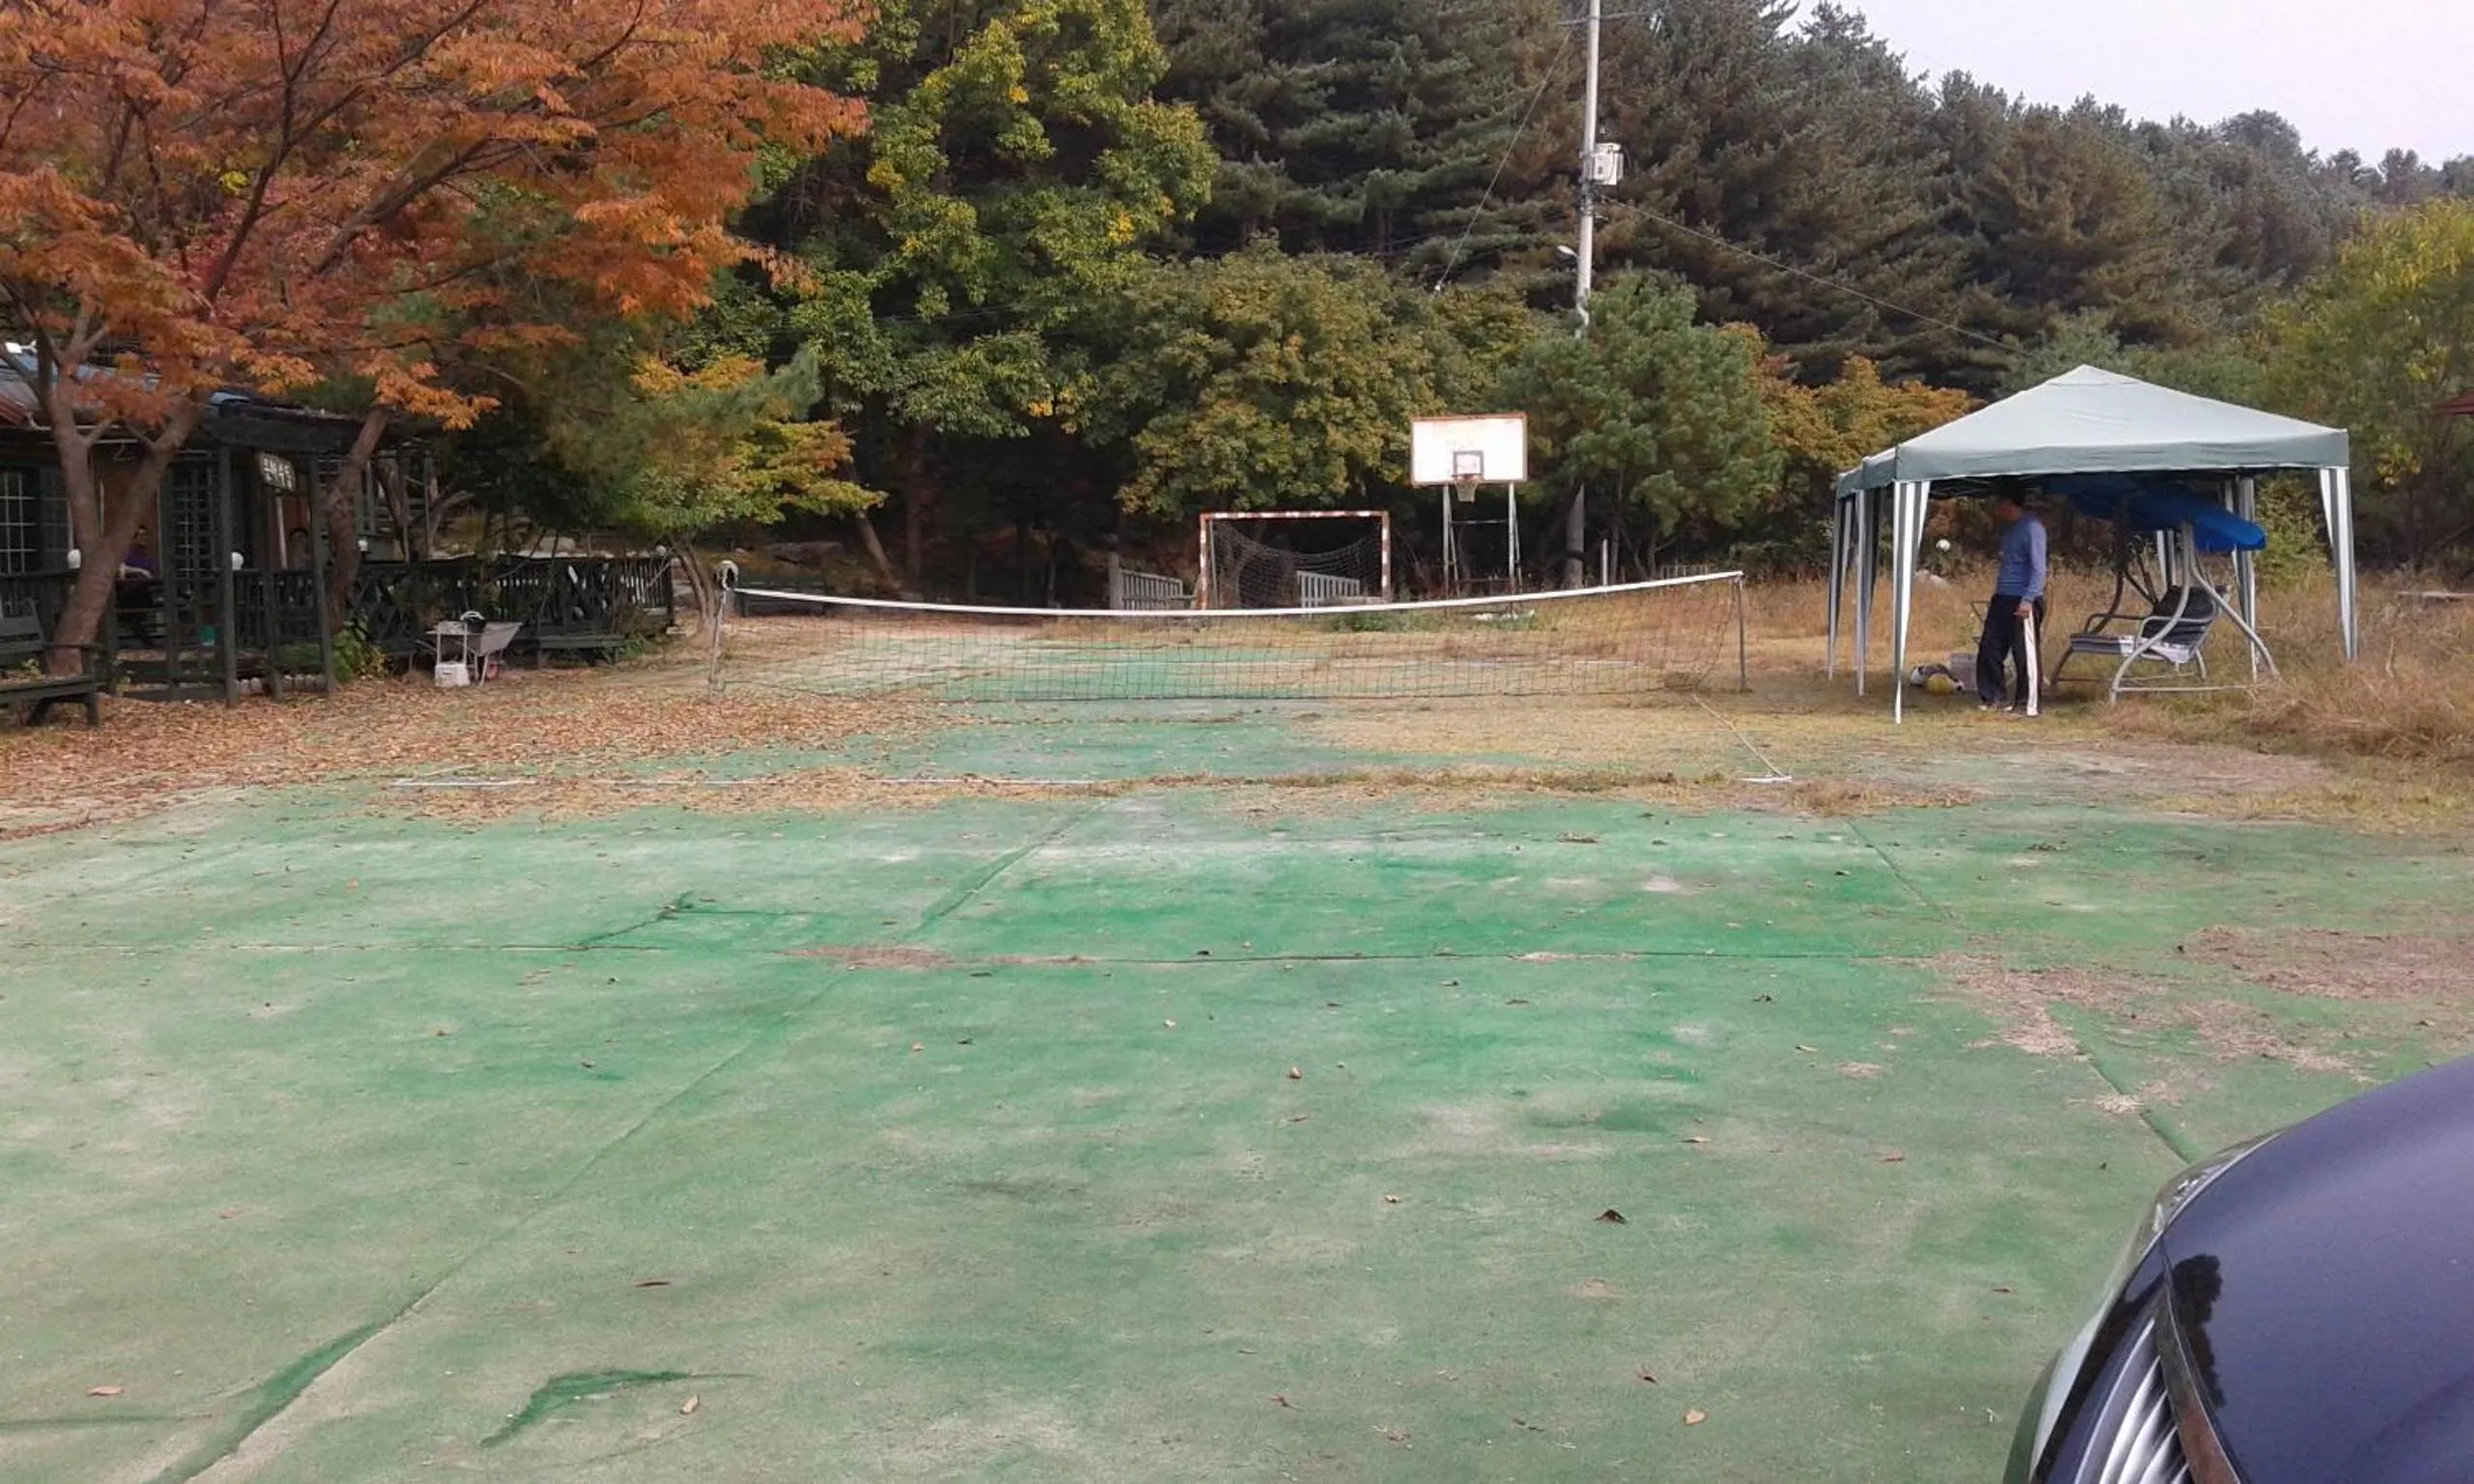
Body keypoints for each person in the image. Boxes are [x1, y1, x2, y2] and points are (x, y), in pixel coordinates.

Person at [1975, 492, 2047, 713]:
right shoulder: (2009, 529)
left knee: (2023, 652)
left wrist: (2028, 599)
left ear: (2009, 503)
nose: (1997, 509)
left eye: (1999, 504)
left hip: (2023, 599)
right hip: (2003, 597)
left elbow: (2039, 568)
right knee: (1989, 647)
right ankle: (1994, 696)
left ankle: (2027, 703)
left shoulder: (2032, 528)